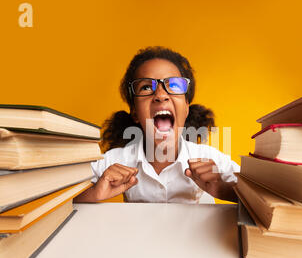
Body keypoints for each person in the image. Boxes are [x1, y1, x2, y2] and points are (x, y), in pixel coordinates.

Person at [74, 46, 240, 204]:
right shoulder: (115, 160)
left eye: (174, 85)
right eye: (146, 87)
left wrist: (223, 189)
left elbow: (262, 201)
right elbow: (59, 201)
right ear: (134, 112)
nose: (161, 95)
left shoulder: (211, 159)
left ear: (186, 106)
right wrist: (94, 193)